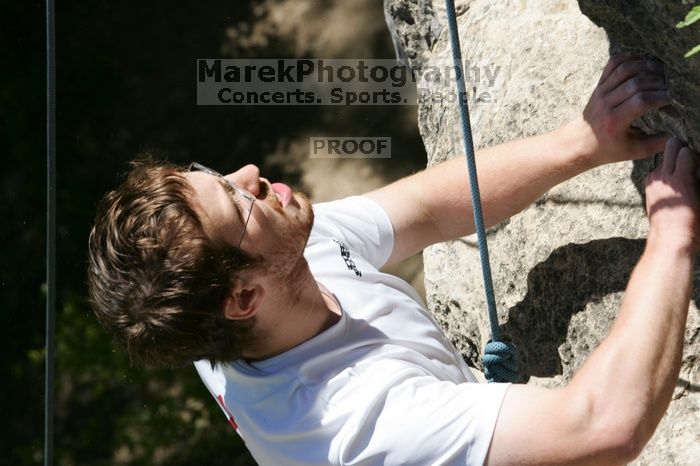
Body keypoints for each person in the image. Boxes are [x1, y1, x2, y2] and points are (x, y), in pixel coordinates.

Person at [88, 53, 698, 465]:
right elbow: (601, 425)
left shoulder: (249, 279)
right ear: (244, 298)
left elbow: (425, 209)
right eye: (237, 202)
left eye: (214, 175)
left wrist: (580, 143)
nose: (249, 175)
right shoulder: (364, 421)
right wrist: (671, 237)